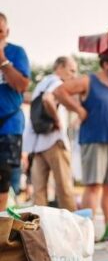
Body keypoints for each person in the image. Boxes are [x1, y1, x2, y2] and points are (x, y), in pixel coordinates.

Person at [54, 53, 108, 225]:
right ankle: (87, 230)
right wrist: (79, 110)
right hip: (94, 140)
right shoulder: (88, 81)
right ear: (106, 64)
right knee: (93, 186)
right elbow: (59, 91)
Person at [23, 56, 78, 209]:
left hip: (38, 144)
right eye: (71, 70)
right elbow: (48, 99)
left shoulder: (41, 83)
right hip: (54, 141)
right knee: (64, 188)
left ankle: (39, 230)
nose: (73, 75)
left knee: (38, 193)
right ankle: (73, 228)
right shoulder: (57, 83)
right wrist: (57, 120)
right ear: (59, 67)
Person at [0, 13, 30, 211]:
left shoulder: (16, 52)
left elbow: (22, 85)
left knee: (2, 177)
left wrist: (3, 60)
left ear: (7, 32)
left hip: (8, 125)